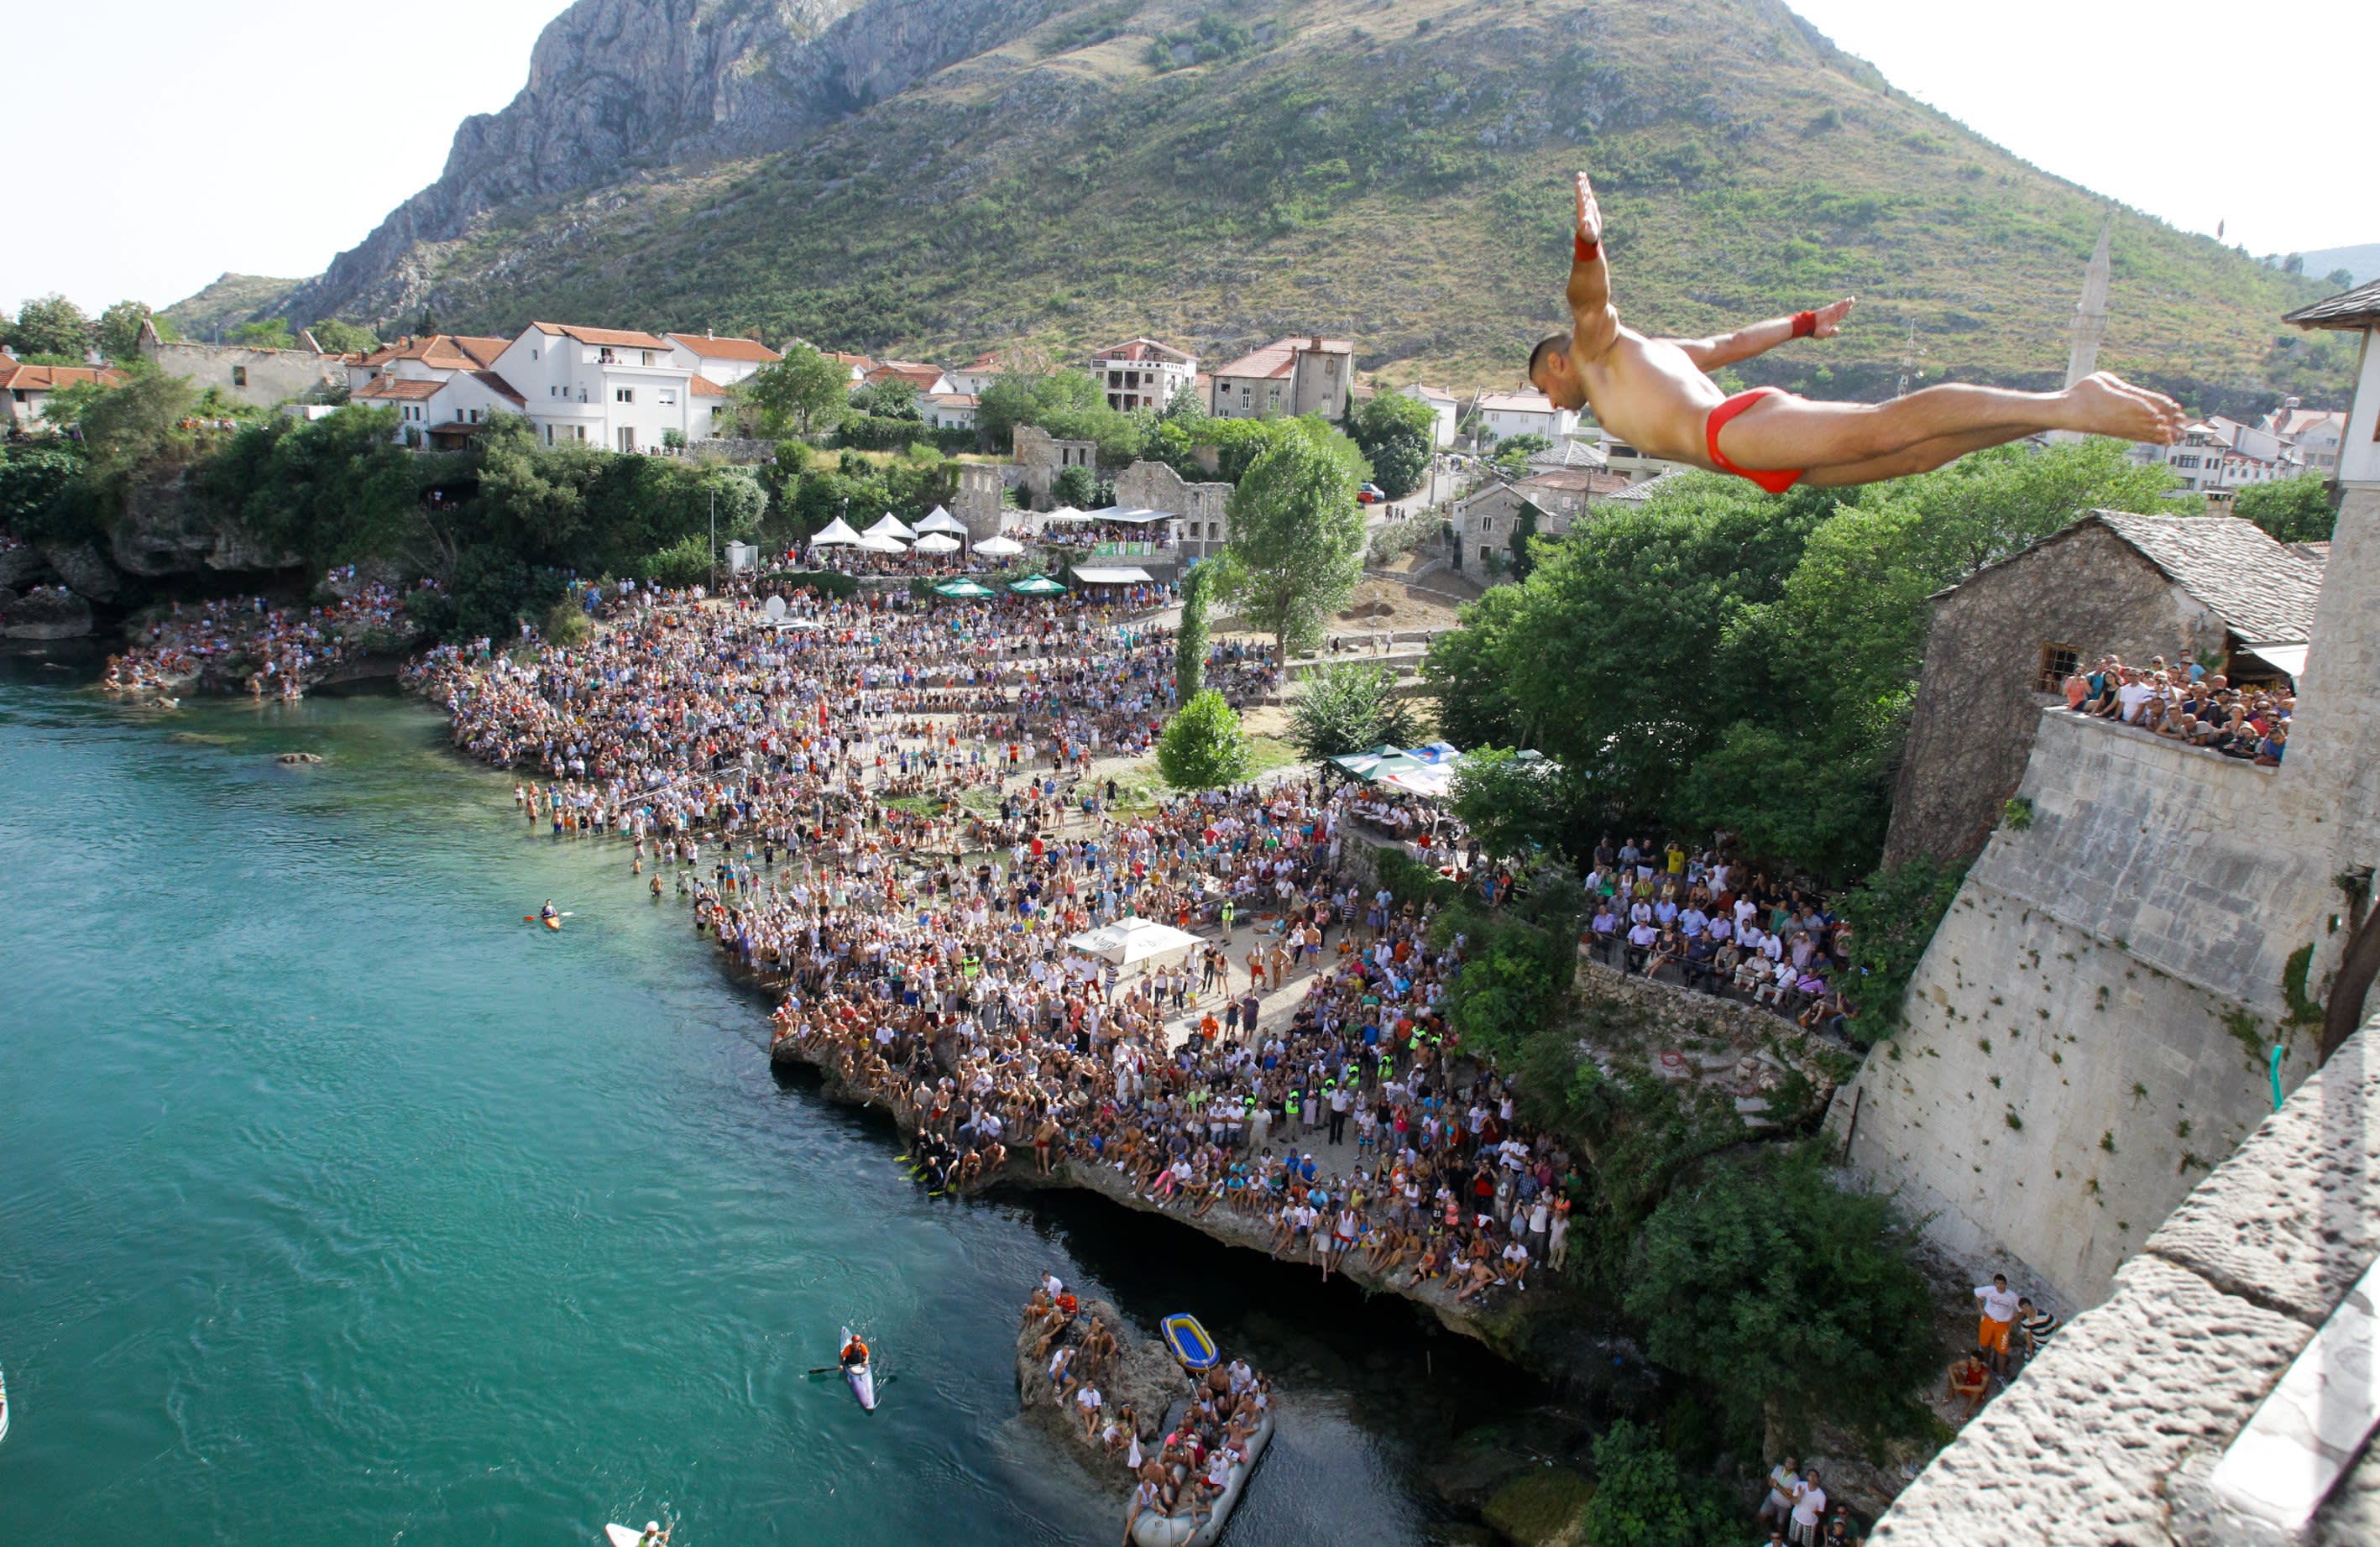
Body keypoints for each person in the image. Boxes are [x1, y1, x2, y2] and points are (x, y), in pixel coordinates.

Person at [1527, 172, 2184, 494]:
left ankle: (2069, 402)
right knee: (1916, 457)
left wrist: (1588, 245)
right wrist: (1802, 325)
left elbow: (1589, 301)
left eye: (1541, 388)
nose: (1550, 402)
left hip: (1732, 433)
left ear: (1557, 364)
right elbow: (1729, 345)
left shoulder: (1594, 351)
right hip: (1751, 460)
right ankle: (2045, 417)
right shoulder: (1652, 355)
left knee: (1880, 426)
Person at [1974, 1273, 2020, 1374]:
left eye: (2002, 1283)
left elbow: (2021, 1310)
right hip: (1988, 1321)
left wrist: (2015, 1321)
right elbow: (1977, 1293)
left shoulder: (2012, 1296)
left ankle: (2000, 1374)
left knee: (2002, 1351)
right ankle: (1985, 1365)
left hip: (2003, 1325)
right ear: (1994, 1284)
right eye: (1997, 1283)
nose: (1999, 1286)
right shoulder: (1990, 1290)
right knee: (1984, 1345)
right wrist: (1980, 1308)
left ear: (2006, 1284)